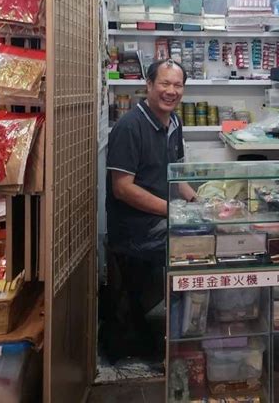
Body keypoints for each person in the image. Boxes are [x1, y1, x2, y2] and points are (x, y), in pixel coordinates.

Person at [103, 58, 195, 360]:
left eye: (178, 85)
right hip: (134, 229)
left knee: (208, 231)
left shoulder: (175, 123)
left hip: (160, 217)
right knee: (193, 247)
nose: (171, 91)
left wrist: (199, 204)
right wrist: (174, 211)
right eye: (164, 84)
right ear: (149, 85)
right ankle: (179, 340)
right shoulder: (130, 127)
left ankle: (190, 327)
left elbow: (176, 176)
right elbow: (122, 188)